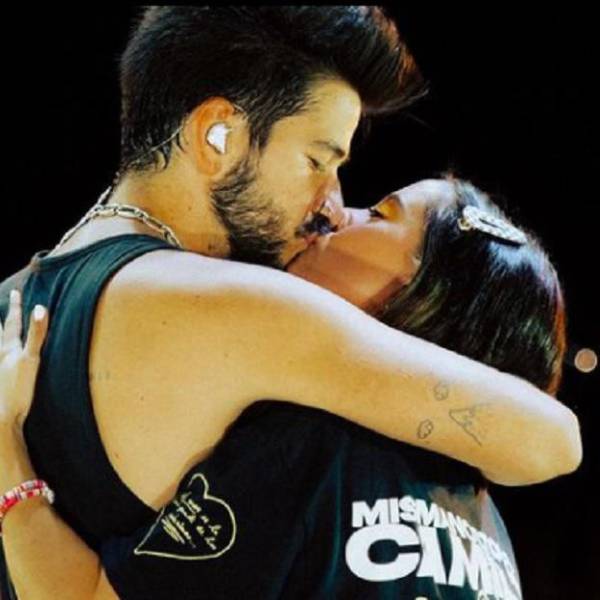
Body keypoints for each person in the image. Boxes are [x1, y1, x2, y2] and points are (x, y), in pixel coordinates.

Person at [0, 4, 579, 596]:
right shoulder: (246, 310)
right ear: (217, 136)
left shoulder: (15, 302)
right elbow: (552, 440)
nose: (332, 204)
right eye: (316, 161)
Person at [0, 178, 574, 598]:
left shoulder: (307, 452)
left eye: (378, 213)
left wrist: (6, 452)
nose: (336, 213)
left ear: (427, 296)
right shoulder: (488, 531)